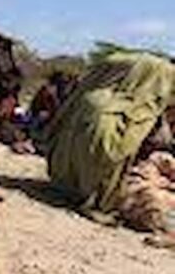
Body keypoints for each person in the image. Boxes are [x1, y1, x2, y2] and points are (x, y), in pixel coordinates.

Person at [47, 51, 175, 241]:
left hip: (67, 181)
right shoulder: (131, 115)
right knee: (155, 203)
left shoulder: (87, 101)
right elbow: (110, 160)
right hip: (115, 186)